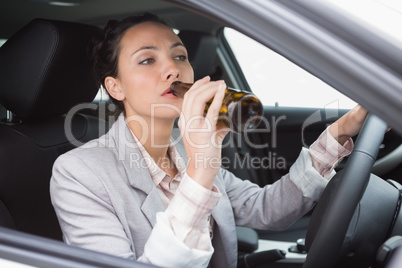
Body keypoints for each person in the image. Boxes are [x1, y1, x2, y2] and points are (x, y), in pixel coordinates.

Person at [50, 13, 368, 268]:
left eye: (180, 56)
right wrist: (201, 171)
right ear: (115, 87)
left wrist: (342, 129)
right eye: (147, 60)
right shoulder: (79, 173)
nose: (172, 69)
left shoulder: (185, 148)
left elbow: (268, 209)